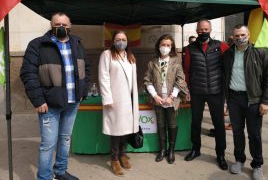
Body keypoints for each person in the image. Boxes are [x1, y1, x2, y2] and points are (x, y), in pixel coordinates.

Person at [20, 12, 90, 180]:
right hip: (49, 104)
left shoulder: (77, 44)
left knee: (65, 139)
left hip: (73, 101)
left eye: (64, 25)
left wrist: (83, 91)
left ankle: (60, 171)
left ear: (70, 26)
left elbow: (86, 69)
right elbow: (28, 74)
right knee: (48, 144)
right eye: (57, 24)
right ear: (51, 25)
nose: (61, 28)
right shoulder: (38, 45)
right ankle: (44, 177)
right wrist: (38, 100)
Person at [223, 24, 268, 180]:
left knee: (254, 135)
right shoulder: (228, 54)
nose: (240, 38)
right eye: (237, 35)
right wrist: (226, 101)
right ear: (233, 37)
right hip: (234, 99)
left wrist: (265, 101)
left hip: (253, 100)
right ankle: (239, 160)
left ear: (249, 34)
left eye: (242, 34)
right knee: (237, 132)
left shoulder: (260, 53)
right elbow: (224, 77)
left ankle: (257, 165)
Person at [183, 19, 229, 170]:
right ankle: (196, 149)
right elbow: (187, 71)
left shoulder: (221, 46)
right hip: (197, 92)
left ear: (211, 29)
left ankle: (220, 154)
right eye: (201, 29)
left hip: (216, 92)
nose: (203, 32)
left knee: (219, 125)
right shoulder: (190, 49)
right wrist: (187, 89)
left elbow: (230, 65)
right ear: (196, 31)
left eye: (206, 29)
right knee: (196, 123)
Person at [98, 30, 139, 177]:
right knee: (116, 130)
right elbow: (103, 77)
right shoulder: (107, 55)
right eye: (118, 39)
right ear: (113, 41)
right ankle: (114, 159)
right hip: (115, 99)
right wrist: (107, 98)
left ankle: (123, 154)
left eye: (124, 39)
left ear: (127, 41)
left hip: (129, 99)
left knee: (127, 129)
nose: (121, 41)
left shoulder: (130, 57)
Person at [144, 34, 189, 164]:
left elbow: (180, 80)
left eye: (168, 45)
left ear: (172, 47)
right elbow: (147, 80)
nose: (165, 47)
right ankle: (162, 150)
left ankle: (171, 150)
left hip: (172, 101)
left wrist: (172, 97)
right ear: (158, 46)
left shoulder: (176, 61)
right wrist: (155, 96)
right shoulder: (152, 62)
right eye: (163, 45)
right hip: (158, 100)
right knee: (161, 124)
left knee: (172, 124)